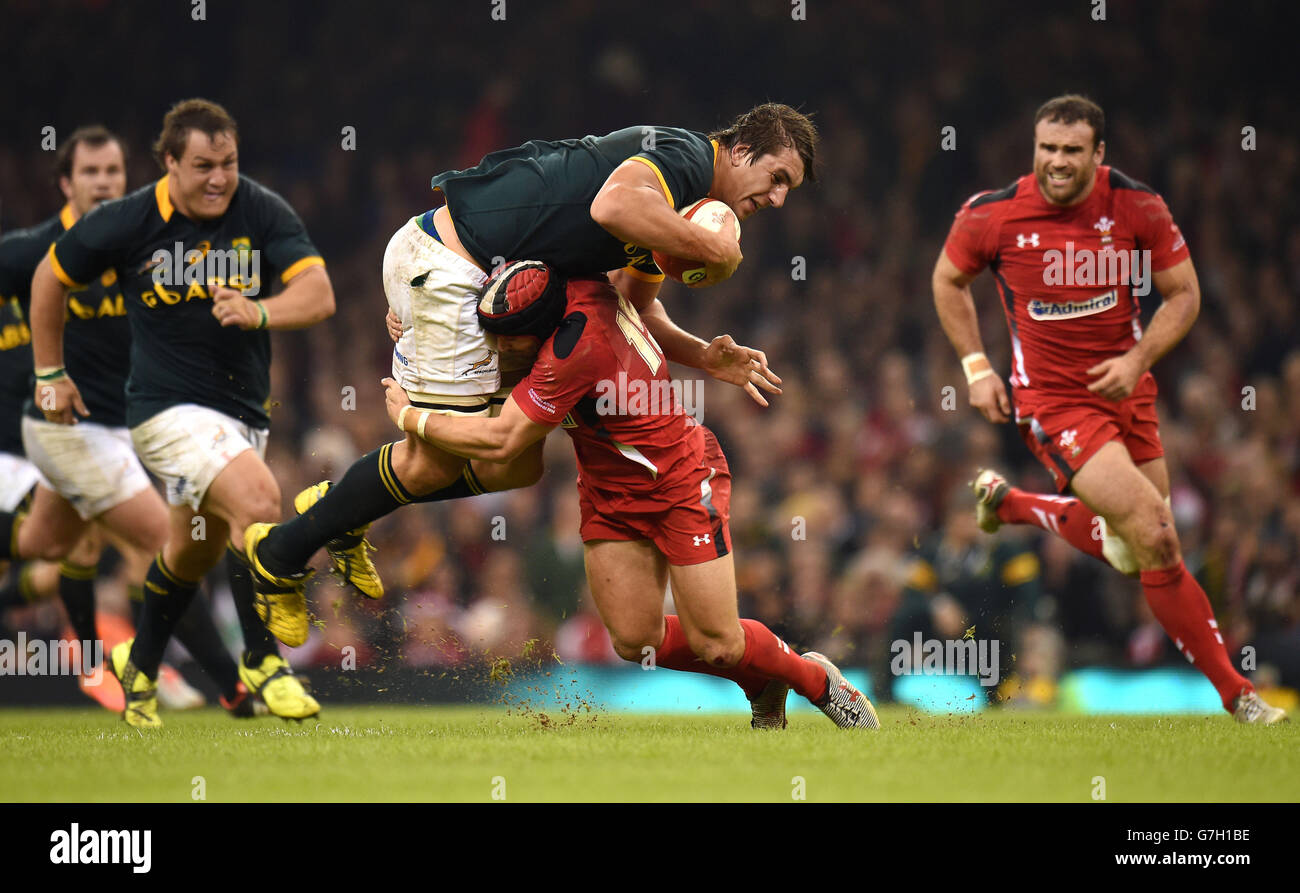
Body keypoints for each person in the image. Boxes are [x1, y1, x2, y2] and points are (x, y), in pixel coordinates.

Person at [244, 103, 814, 636]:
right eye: (779, 177)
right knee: (443, 458)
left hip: (476, 279)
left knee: (515, 467)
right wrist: (718, 251)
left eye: (791, 188)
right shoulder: (686, 158)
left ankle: (342, 509)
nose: (780, 199)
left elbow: (635, 307)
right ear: (739, 152)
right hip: (451, 266)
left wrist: (706, 356)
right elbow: (610, 208)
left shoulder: (669, 208)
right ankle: (281, 553)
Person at [381, 262, 879, 730]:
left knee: (720, 642)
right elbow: (639, 304)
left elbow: (503, 440)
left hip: (680, 480)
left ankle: (816, 680)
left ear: (536, 336)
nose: (496, 349)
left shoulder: (571, 351)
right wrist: (415, 322)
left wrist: (410, 417)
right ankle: (761, 678)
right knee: (634, 639)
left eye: (506, 344)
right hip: (607, 490)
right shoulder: (564, 284)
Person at [931, 94, 1285, 723]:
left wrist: (1137, 361)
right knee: (1152, 529)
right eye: (1047, 149)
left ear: (1099, 153)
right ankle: (1240, 696)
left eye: (1072, 150)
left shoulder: (1138, 206)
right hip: (1052, 403)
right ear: (1034, 148)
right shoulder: (993, 215)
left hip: (1128, 392)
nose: (1057, 162)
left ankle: (1014, 505)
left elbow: (1183, 294)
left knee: (1152, 549)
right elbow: (948, 278)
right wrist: (978, 368)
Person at [28, 99, 335, 727]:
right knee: (258, 500)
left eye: (228, 162)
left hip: (243, 410)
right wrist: (49, 373)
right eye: (202, 165)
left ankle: (138, 668)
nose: (219, 177)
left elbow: (319, 293)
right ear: (168, 162)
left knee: (191, 552)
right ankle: (263, 661)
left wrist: (262, 311)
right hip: (164, 411)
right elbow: (49, 279)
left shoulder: (261, 209)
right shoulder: (128, 220)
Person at [1, 125, 268, 718]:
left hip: (129, 426)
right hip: (64, 431)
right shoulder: (27, 255)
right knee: (163, 542)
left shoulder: (143, 247)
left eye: (114, 172)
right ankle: (234, 685)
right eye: (91, 173)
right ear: (65, 183)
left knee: (44, 542)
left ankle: (122, 665)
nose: (104, 183)